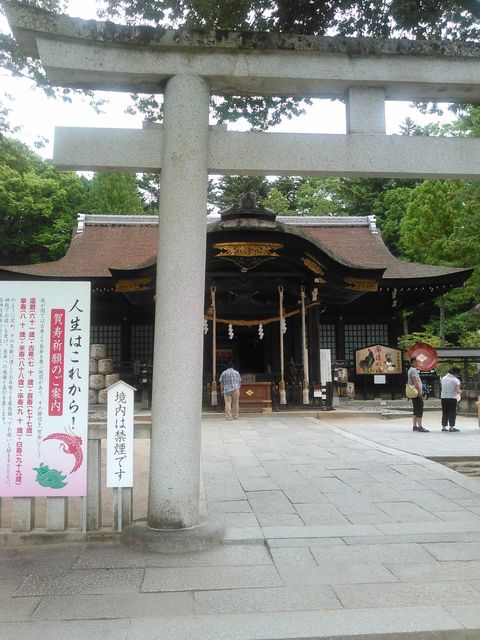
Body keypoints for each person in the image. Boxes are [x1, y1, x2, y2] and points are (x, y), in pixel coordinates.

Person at [408, 356, 429, 432]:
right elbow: (415, 381)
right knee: (419, 408)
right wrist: (420, 391)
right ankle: (420, 426)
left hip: (412, 392)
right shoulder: (414, 370)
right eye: (417, 361)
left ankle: (415, 426)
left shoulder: (410, 369)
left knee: (415, 409)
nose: (418, 363)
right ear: (414, 362)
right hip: (416, 392)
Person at [440, 366, 462, 432]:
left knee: (445, 412)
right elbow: (457, 390)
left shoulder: (443, 379)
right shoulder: (456, 380)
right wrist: (461, 391)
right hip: (452, 398)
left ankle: (444, 427)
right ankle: (451, 427)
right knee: (452, 413)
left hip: (444, 397)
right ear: (455, 373)